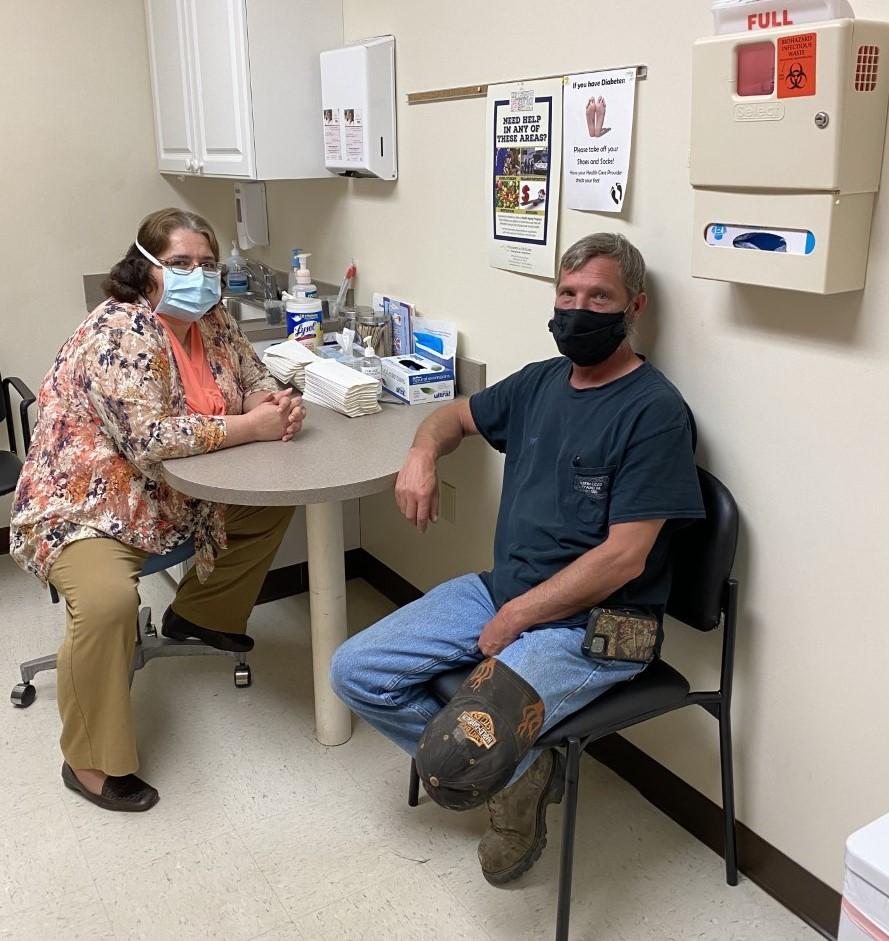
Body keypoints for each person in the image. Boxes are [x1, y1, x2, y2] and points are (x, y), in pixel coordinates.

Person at [330, 233, 704, 884]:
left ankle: (493, 776)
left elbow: (624, 558)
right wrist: (421, 454)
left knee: (453, 758)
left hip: (599, 625)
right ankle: (524, 771)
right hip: (503, 591)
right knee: (354, 670)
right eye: (567, 293)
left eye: (599, 297)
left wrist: (519, 616)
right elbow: (451, 417)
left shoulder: (654, 412)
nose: (578, 309)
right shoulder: (540, 382)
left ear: (634, 306)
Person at [10, 208, 306, 812]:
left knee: (267, 505)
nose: (196, 275)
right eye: (179, 264)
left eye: (206, 264)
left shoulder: (211, 318)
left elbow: (251, 375)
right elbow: (149, 439)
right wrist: (251, 427)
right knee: (106, 603)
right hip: (88, 503)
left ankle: (198, 615)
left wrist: (272, 403)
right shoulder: (119, 331)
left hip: (170, 493)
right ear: (144, 267)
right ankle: (88, 761)